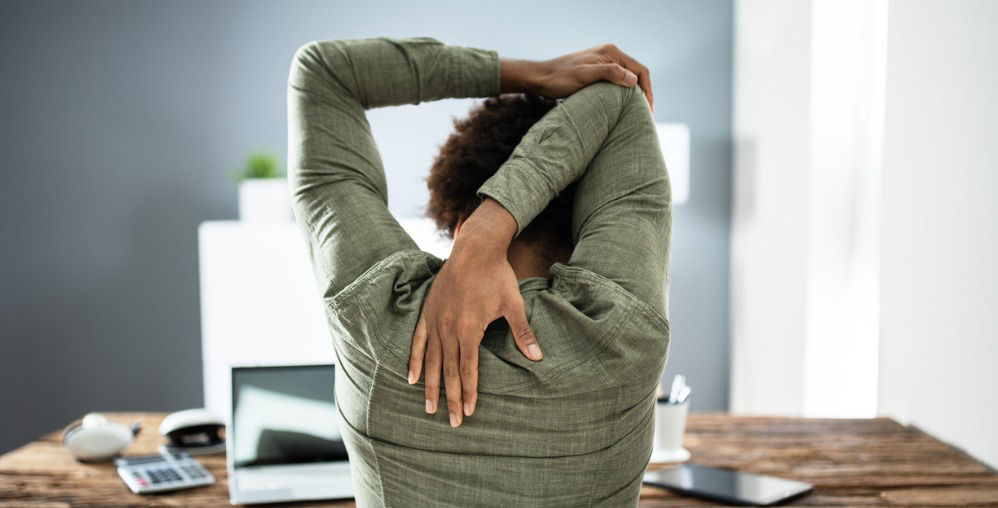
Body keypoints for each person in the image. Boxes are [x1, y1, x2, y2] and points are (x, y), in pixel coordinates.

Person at [287, 36, 672, 507]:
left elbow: (325, 71)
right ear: (588, 219)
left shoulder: (374, 313)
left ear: (458, 220)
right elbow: (620, 94)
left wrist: (531, 72)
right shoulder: (619, 331)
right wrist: (498, 219)